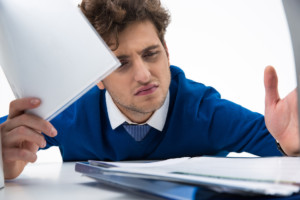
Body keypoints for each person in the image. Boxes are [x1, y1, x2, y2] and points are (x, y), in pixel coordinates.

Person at [0, 0, 299, 180]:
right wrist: (3, 166)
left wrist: (290, 145)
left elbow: (280, 144)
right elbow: (8, 141)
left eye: (151, 53)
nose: (144, 75)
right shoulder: (69, 115)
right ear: (97, 77)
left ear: (168, 52)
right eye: (121, 63)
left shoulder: (204, 112)